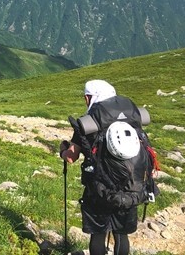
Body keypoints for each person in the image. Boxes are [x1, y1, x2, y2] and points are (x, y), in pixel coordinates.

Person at [60, 79, 145, 255]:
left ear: (89, 97)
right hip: (131, 187)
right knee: (121, 235)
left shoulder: (88, 123)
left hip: (99, 189)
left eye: (86, 97)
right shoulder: (132, 119)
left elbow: (71, 157)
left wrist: (62, 151)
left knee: (98, 234)